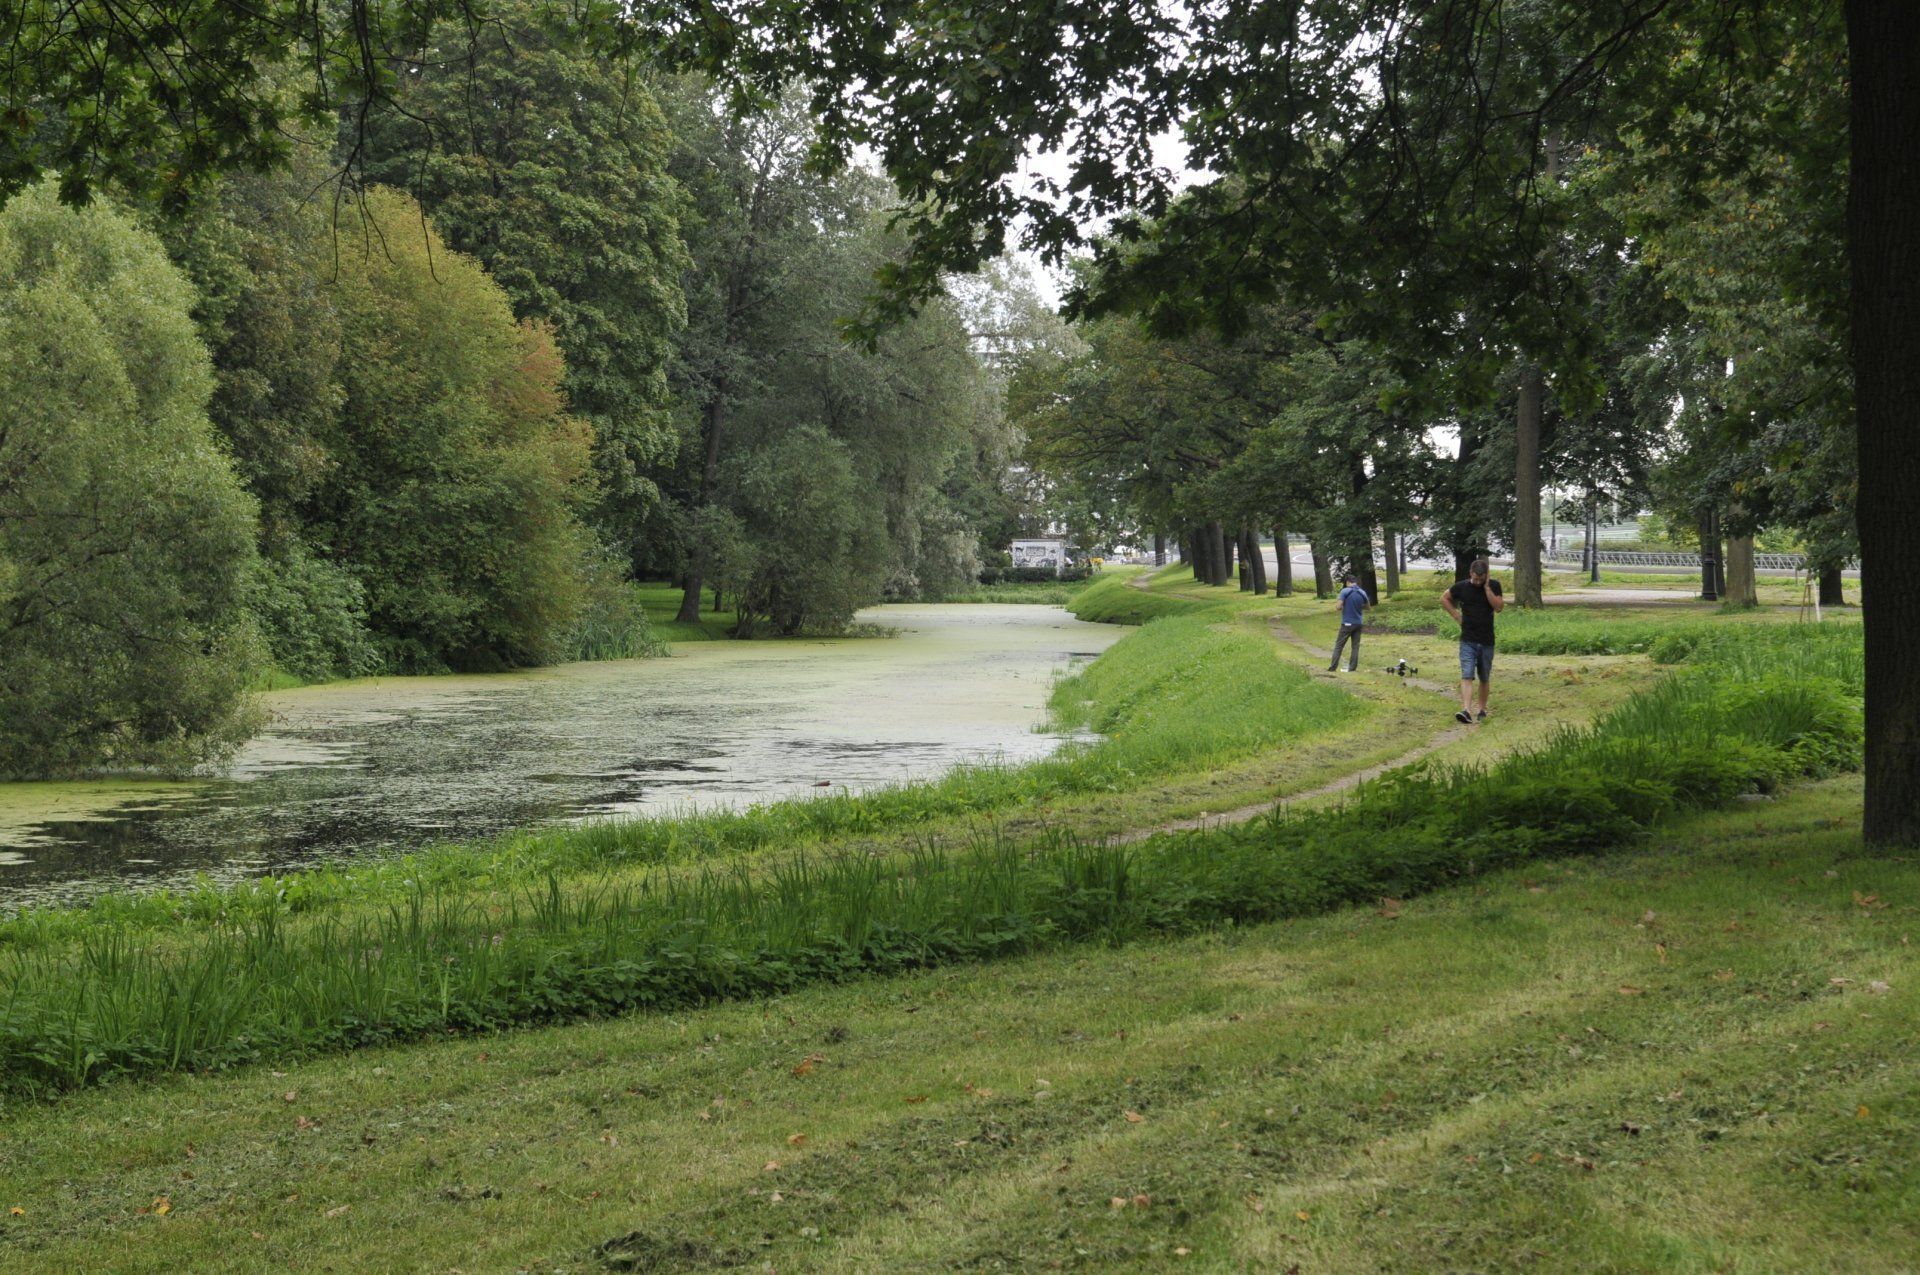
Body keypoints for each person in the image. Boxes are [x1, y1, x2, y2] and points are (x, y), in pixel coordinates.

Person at [1441, 558, 1505, 723]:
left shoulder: (1494, 585)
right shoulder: (1461, 587)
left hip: (1487, 640)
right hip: (1467, 639)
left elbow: (1498, 607)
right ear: (1470, 573)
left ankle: (1482, 709)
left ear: (1485, 576)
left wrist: (1487, 588)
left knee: (1484, 677)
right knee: (1467, 674)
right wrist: (1456, 616)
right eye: (1475, 578)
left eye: (1480, 579)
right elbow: (1444, 598)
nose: (1477, 582)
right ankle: (1466, 710)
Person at [1327, 572, 1369, 672]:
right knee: (1355, 646)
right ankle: (1352, 668)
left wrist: (1344, 605)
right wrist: (1358, 606)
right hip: (1358, 623)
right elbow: (1368, 607)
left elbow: (1338, 607)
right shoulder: (1362, 592)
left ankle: (1333, 667)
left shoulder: (1345, 591)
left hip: (1347, 623)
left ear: (1348, 582)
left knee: (1339, 645)